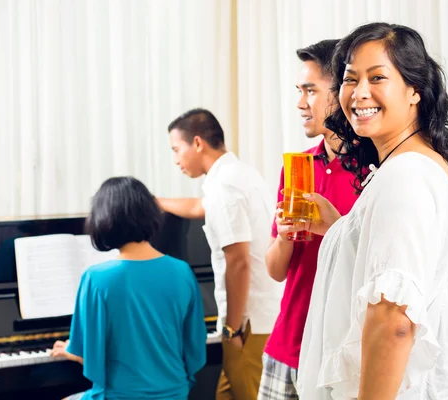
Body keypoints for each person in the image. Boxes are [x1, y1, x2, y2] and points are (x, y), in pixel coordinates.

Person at [295, 22, 448, 399]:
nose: (359, 94)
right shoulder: (416, 166)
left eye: (377, 77)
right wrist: (343, 229)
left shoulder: (406, 175)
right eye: (349, 79)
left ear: (414, 90)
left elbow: (395, 319)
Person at [257, 39, 359, 400]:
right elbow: (276, 270)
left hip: (340, 357)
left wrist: (335, 228)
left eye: (311, 91)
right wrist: (285, 235)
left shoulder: (374, 171)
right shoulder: (298, 167)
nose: (301, 103)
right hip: (285, 347)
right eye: (299, 91)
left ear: (343, 92)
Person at [158, 108, 284, 400]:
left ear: (198, 143)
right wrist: (153, 201)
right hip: (262, 317)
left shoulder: (224, 186)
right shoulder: (237, 174)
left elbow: (237, 261)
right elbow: (198, 207)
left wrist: (232, 328)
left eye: (177, 149)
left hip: (248, 324)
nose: (176, 159)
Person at [51, 176, 206, 400]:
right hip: (174, 394)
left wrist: (71, 351)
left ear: (103, 219)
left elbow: (89, 358)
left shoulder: (96, 279)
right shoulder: (182, 271)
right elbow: (194, 350)